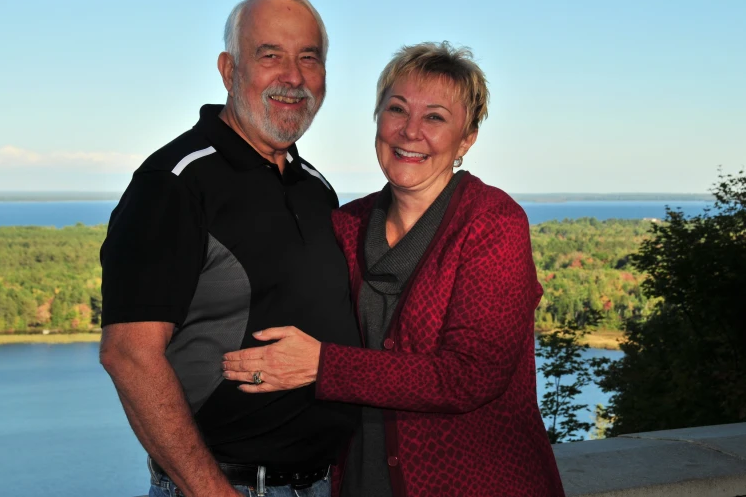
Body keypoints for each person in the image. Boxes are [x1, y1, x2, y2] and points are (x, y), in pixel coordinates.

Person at [222, 42, 566, 496]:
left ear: (467, 139)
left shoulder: (492, 223)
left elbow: (470, 376)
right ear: (378, 119)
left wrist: (324, 366)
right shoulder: (347, 224)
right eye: (397, 109)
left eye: (436, 117)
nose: (410, 131)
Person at [99, 0, 361, 497]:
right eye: (270, 55)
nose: (293, 76)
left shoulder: (316, 188)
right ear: (228, 69)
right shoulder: (173, 183)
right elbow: (129, 355)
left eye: (309, 57)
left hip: (323, 484)